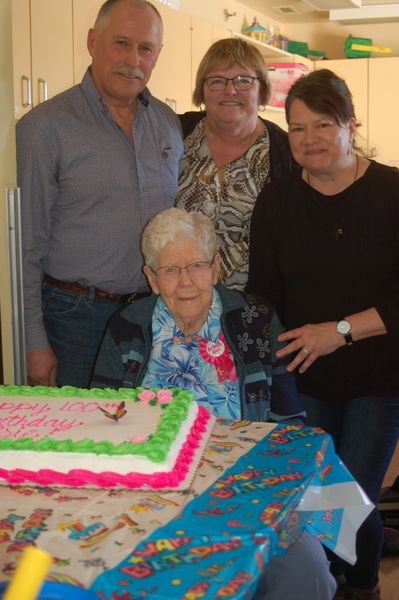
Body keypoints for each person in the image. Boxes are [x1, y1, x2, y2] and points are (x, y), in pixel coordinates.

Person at [91, 206, 336, 599]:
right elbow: (105, 421)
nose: (185, 281)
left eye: (197, 266)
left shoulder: (254, 318)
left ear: (217, 268)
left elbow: (289, 420)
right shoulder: (127, 326)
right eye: (169, 270)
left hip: (250, 484)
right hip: (153, 492)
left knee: (307, 571)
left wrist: (276, 493)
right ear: (151, 279)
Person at [247, 68, 399, 600]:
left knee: (349, 495)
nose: (308, 139)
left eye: (322, 124)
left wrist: (339, 331)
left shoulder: (392, 191)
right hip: (303, 376)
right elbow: (262, 292)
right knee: (318, 497)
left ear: (350, 125)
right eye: (296, 128)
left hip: (380, 374)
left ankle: (358, 583)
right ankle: (340, 581)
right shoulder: (277, 200)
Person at [16, 0, 183, 388]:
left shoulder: (168, 124)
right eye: (121, 43)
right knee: (80, 440)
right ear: (92, 42)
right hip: (74, 320)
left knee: (147, 437)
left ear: (158, 55)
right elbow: (25, 245)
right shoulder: (45, 127)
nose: (133, 59)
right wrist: (32, 343)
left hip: (152, 314)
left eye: (146, 48)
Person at [175, 37, 296, 291]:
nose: (230, 91)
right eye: (217, 80)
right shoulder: (175, 134)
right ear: (202, 90)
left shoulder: (287, 153)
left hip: (253, 307)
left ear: (261, 89)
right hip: (177, 298)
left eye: (243, 80)